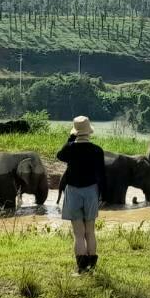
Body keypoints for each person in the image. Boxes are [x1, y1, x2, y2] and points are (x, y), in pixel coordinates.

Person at [57, 116, 107, 273]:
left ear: (76, 132)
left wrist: (71, 137)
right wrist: (103, 195)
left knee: (78, 233)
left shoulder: (70, 149)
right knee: (90, 232)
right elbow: (102, 175)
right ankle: (92, 266)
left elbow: (60, 154)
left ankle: (81, 268)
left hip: (73, 191)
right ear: (89, 131)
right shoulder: (97, 150)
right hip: (91, 191)